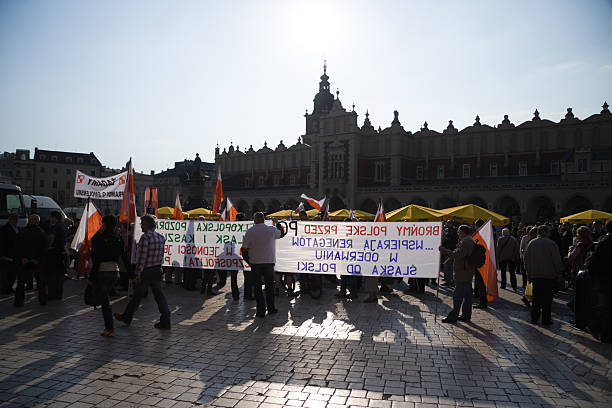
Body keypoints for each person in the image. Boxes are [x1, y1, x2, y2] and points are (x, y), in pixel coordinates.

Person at [115, 215, 171, 329]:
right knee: (160, 297)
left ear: (148, 225)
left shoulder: (145, 238)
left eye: (142, 224)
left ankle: (127, 316)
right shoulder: (160, 237)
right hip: (157, 270)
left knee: (137, 296)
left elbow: (142, 258)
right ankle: (166, 319)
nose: (141, 226)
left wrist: (138, 273)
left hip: (146, 271)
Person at [241, 212, 282, 317]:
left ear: (255, 220)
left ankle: (260, 311)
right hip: (269, 262)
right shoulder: (271, 230)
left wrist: (249, 262)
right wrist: (277, 224)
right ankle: (271, 308)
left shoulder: (250, 231)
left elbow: (244, 249)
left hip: (255, 263)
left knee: (258, 288)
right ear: (264, 220)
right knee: (269, 287)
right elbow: (281, 233)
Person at [90, 215, 123, 337]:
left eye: (102, 223)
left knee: (105, 302)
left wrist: (91, 278)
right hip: (115, 271)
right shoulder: (117, 239)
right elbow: (122, 256)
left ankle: (109, 328)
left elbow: (96, 259)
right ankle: (109, 327)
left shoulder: (99, 238)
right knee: (105, 299)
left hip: (103, 271)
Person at [525, 225, 563, 325]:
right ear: (545, 232)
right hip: (548, 275)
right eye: (549, 232)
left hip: (535, 275)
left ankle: (534, 318)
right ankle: (546, 319)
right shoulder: (551, 243)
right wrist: (559, 272)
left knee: (536, 298)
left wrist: (528, 273)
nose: (550, 233)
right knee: (547, 299)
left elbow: (526, 260)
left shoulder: (531, 243)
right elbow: (556, 260)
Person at [439, 225, 475, 323]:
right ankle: (466, 315)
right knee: (467, 296)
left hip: (463, 272)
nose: (457, 233)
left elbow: (457, 254)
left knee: (458, 295)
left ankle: (453, 316)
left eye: (459, 231)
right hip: (465, 271)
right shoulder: (467, 240)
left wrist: (445, 250)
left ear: (463, 232)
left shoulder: (466, 241)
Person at [587, 219, 612, 342]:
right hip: (605, 279)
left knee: (605, 306)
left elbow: (593, 263)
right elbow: (594, 263)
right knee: (606, 307)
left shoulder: (603, 241)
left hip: (603, 279)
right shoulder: (605, 242)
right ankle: (602, 332)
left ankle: (603, 331)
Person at [14, 214, 47, 306]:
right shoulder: (41, 232)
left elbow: (17, 246)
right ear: (37, 221)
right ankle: (42, 300)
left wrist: (22, 257)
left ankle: (19, 301)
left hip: (24, 261)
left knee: (21, 282)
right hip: (37, 261)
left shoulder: (22, 231)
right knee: (40, 282)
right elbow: (43, 248)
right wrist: (37, 259)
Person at [46, 211, 68, 300]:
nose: (50, 219)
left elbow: (52, 237)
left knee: (52, 275)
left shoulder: (55, 226)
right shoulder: (63, 226)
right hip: (61, 251)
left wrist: (48, 246)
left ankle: (52, 294)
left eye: (51, 217)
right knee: (59, 275)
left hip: (54, 252)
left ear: (54, 217)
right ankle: (59, 294)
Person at [0, 213, 19, 294]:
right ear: (10, 219)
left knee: (13, 273)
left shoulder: (17, 228)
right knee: (5, 273)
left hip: (15, 254)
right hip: (6, 254)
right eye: (14, 219)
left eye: (16, 219)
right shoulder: (4, 229)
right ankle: (5, 288)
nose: (16, 220)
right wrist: (2, 254)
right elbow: (2, 242)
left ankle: (9, 287)